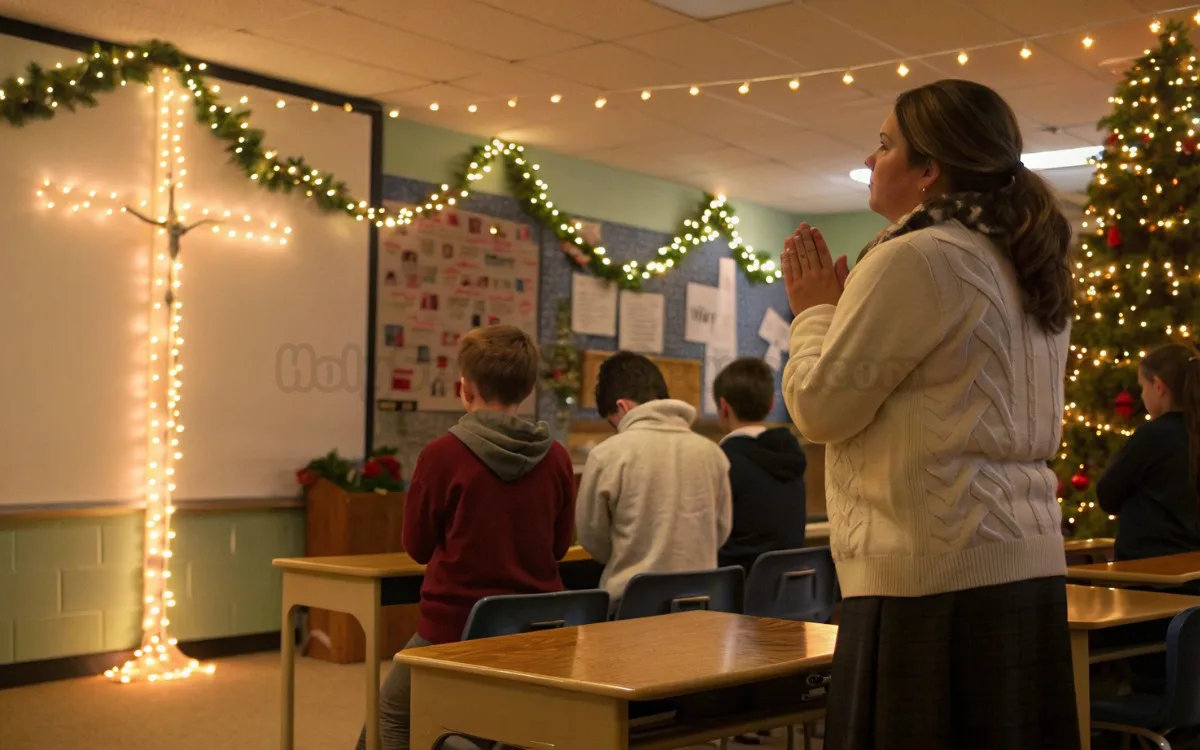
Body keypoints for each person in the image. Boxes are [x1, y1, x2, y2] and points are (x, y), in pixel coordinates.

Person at [780, 79, 1080, 750]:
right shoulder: (1025, 261)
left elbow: (820, 410)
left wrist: (815, 314)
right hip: (1022, 566)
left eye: (885, 144)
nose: (869, 158)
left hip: (927, 577)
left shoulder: (915, 256)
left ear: (929, 169)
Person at [354, 325, 575, 750]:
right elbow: (559, 547)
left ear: (465, 387)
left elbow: (417, 547)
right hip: (536, 631)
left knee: (389, 718)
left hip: (454, 630)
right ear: (528, 391)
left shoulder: (442, 455)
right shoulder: (557, 457)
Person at [575, 351, 732, 609]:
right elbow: (721, 531)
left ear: (622, 407)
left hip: (631, 605)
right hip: (701, 606)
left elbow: (593, 539)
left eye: (614, 423)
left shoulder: (607, 454)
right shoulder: (712, 453)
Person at [1098, 343, 1200, 561]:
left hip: (1148, 571)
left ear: (1159, 387)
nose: (1142, 396)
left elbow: (1107, 495)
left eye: (1143, 386)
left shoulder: (1152, 436)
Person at [712, 357, 808, 573]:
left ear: (724, 407)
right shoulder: (792, 454)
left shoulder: (721, 461)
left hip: (735, 596)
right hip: (789, 596)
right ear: (772, 404)